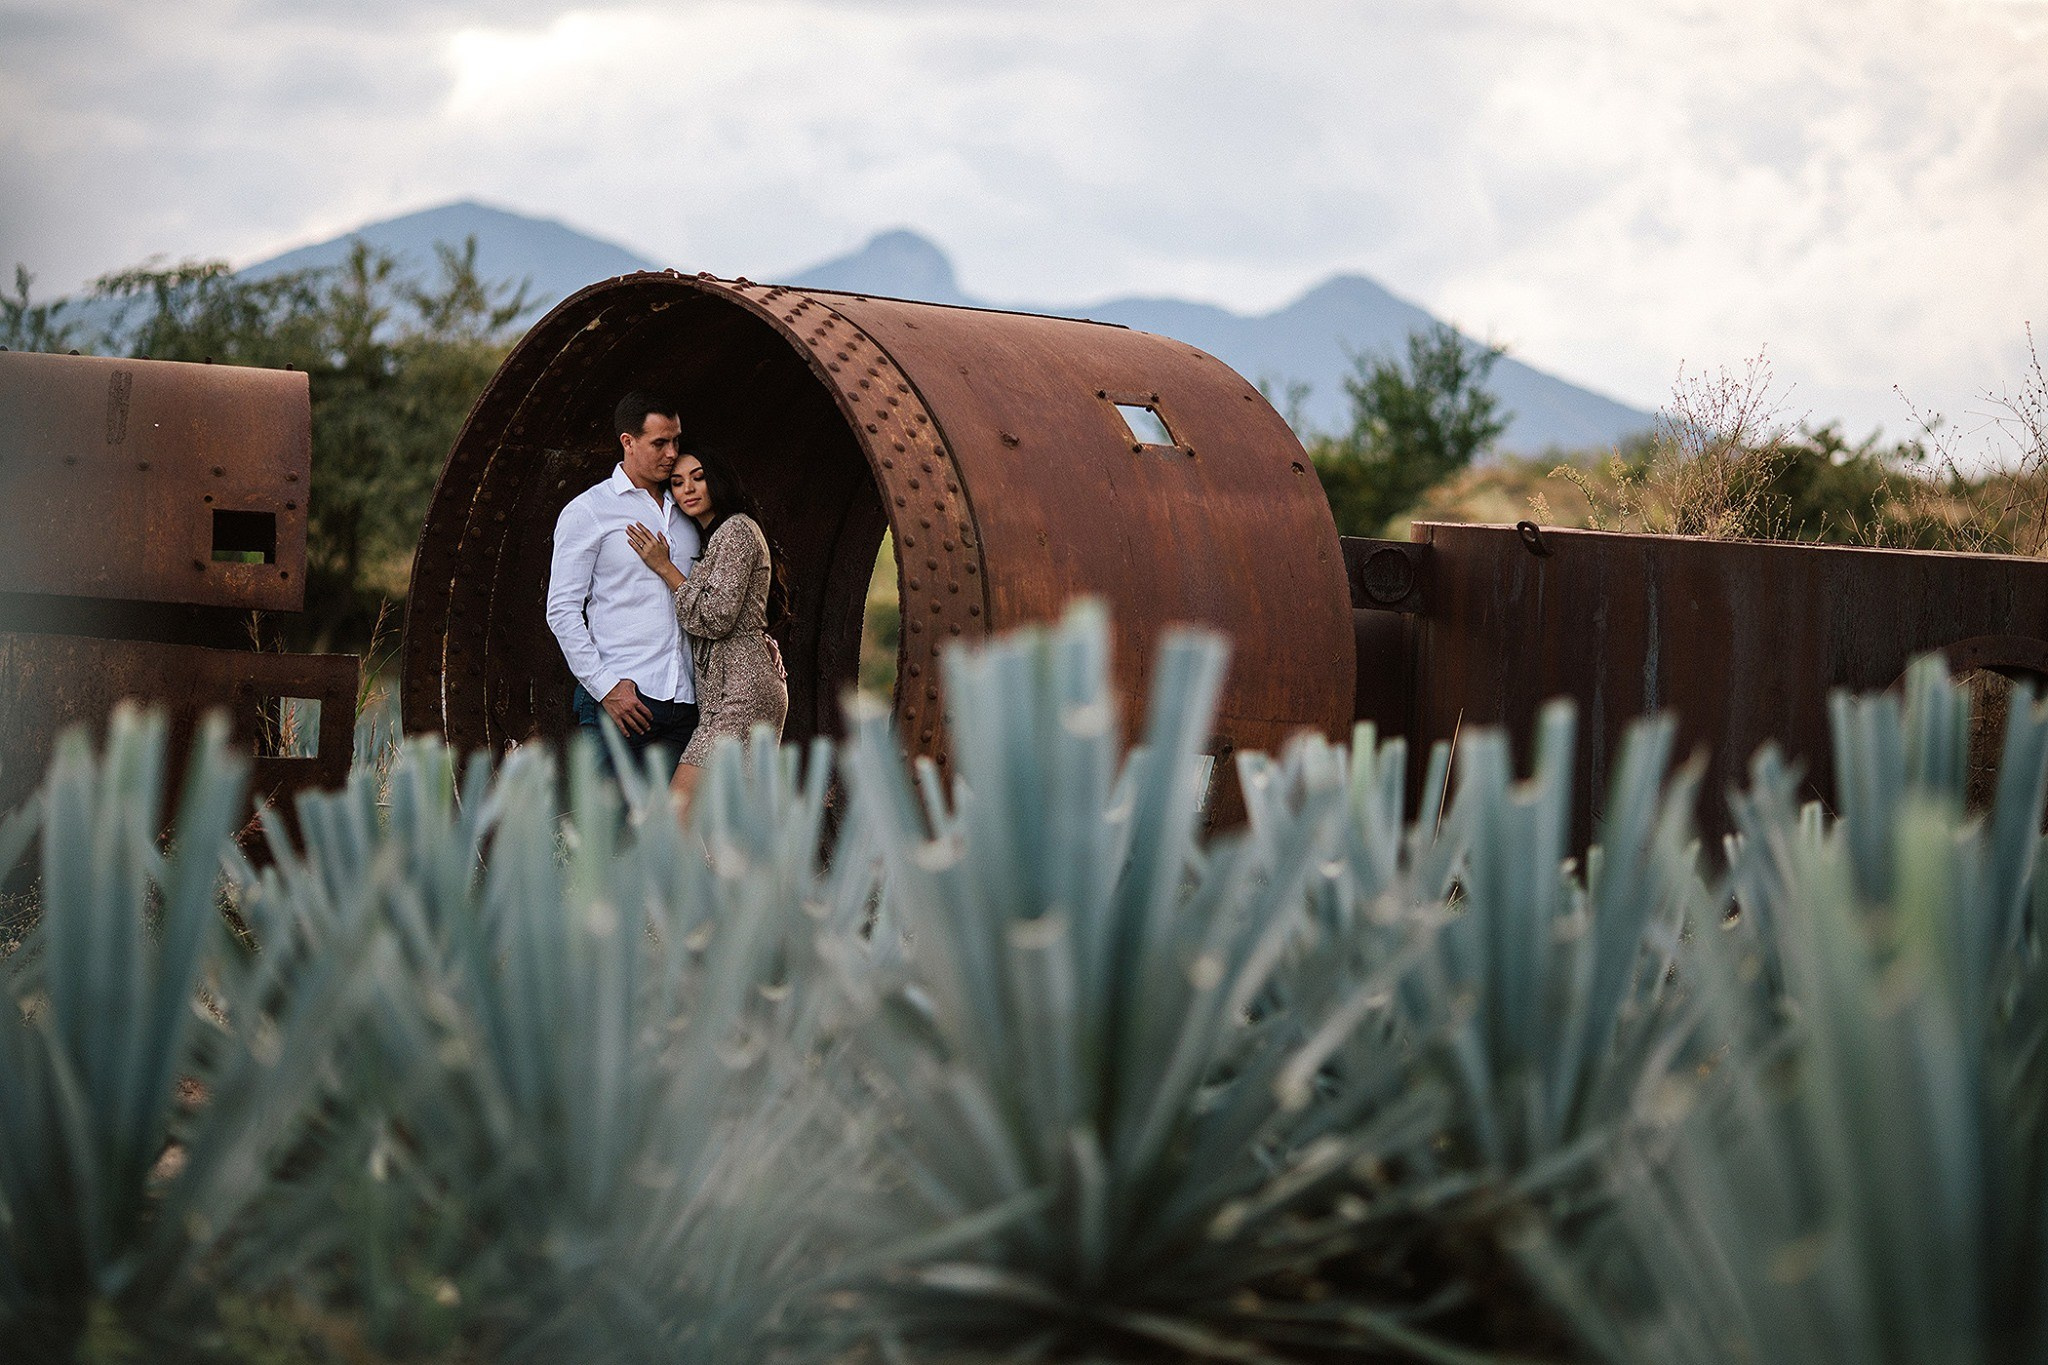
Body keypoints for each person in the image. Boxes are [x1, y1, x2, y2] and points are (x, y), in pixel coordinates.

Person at [544, 392, 703, 777]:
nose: (672, 453)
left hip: (686, 704)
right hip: (621, 705)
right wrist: (606, 688)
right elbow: (562, 611)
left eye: (676, 441)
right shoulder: (589, 511)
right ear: (628, 442)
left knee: (672, 818)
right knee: (607, 816)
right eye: (659, 443)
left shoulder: (688, 510)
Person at [624, 448, 788, 820]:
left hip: (741, 693)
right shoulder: (715, 537)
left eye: (698, 478)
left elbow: (716, 617)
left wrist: (665, 567)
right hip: (728, 693)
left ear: (717, 479)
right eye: (677, 482)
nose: (688, 489)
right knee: (726, 825)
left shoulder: (736, 529)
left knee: (674, 818)